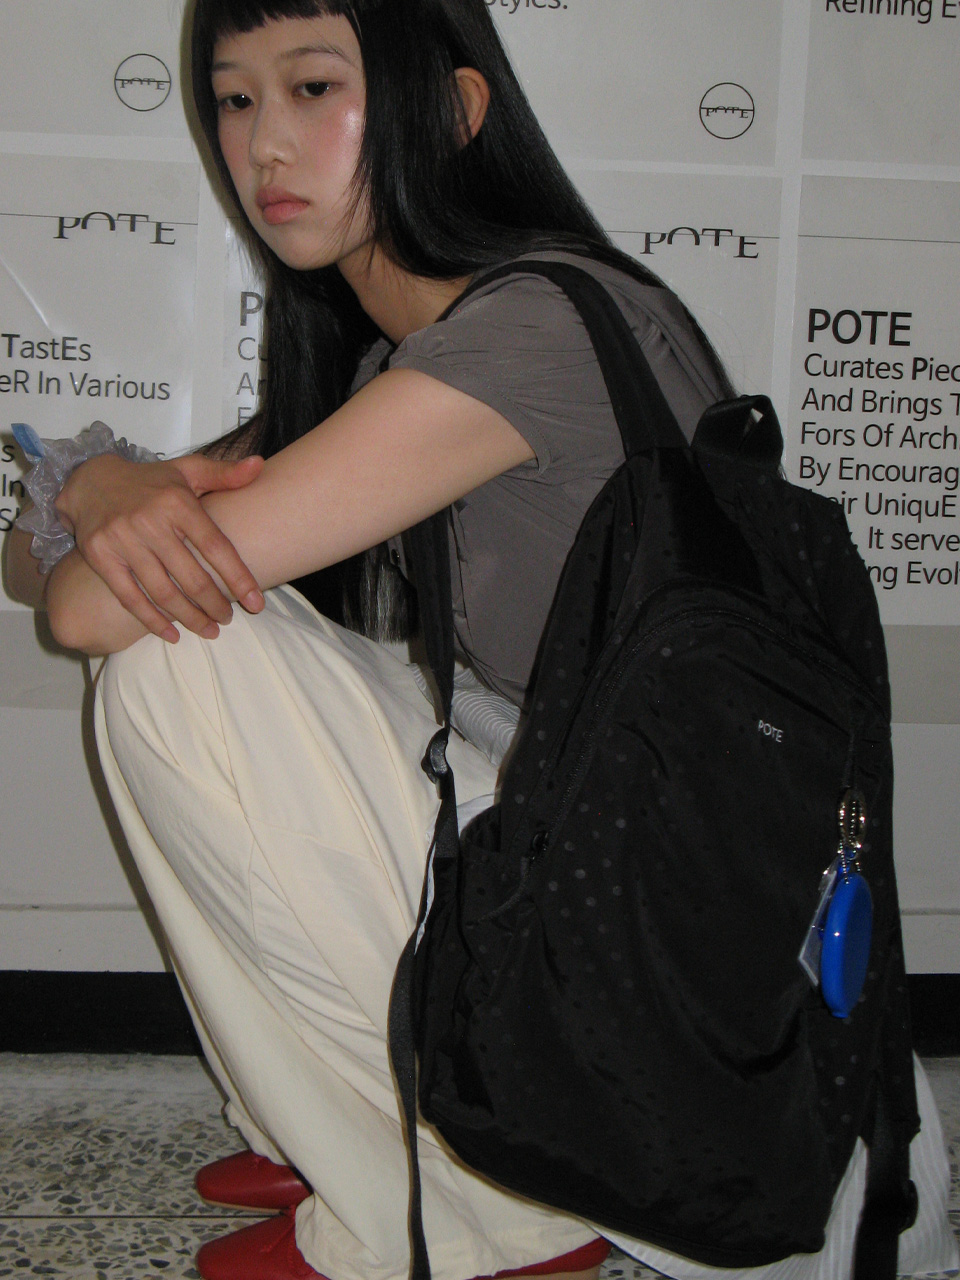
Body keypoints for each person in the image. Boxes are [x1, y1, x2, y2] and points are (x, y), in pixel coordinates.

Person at [6, 2, 956, 1280]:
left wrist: (103, 498)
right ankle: (345, 1125)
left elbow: (87, 605)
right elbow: (37, 559)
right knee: (204, 629)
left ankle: (499, 1213)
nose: (266, 145)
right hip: (591, 848)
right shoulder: (409, 349)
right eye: (235, 98)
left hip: (678, 969)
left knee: (181, 660)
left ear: (453, 113)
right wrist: (97, 491)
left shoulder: (528, 336)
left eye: (314, 87)